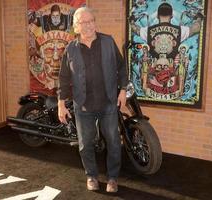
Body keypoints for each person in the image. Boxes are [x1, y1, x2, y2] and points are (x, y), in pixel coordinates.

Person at [57, 7, 128, 193]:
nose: (88, 25)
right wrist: (61, 103)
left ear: (95, 22)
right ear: (76, 27)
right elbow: (64, 78)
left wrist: (123, 90)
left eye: (91, 21)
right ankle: (91, 176)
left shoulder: (107, 42)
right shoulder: (71, 49)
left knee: (113, 141)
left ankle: (112, 178)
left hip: (108, 103)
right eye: (83, 22)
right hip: (83, 105)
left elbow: (121, 67)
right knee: (85, 144)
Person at [130, 2, 203, 59]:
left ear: (157, 16)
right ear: (171, 16)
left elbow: (134, 28)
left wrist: (132, 20)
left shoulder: (147, 31)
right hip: (171, 69)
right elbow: (196, 28)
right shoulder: (180, 30)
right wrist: (199, 18)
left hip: (154, 68)